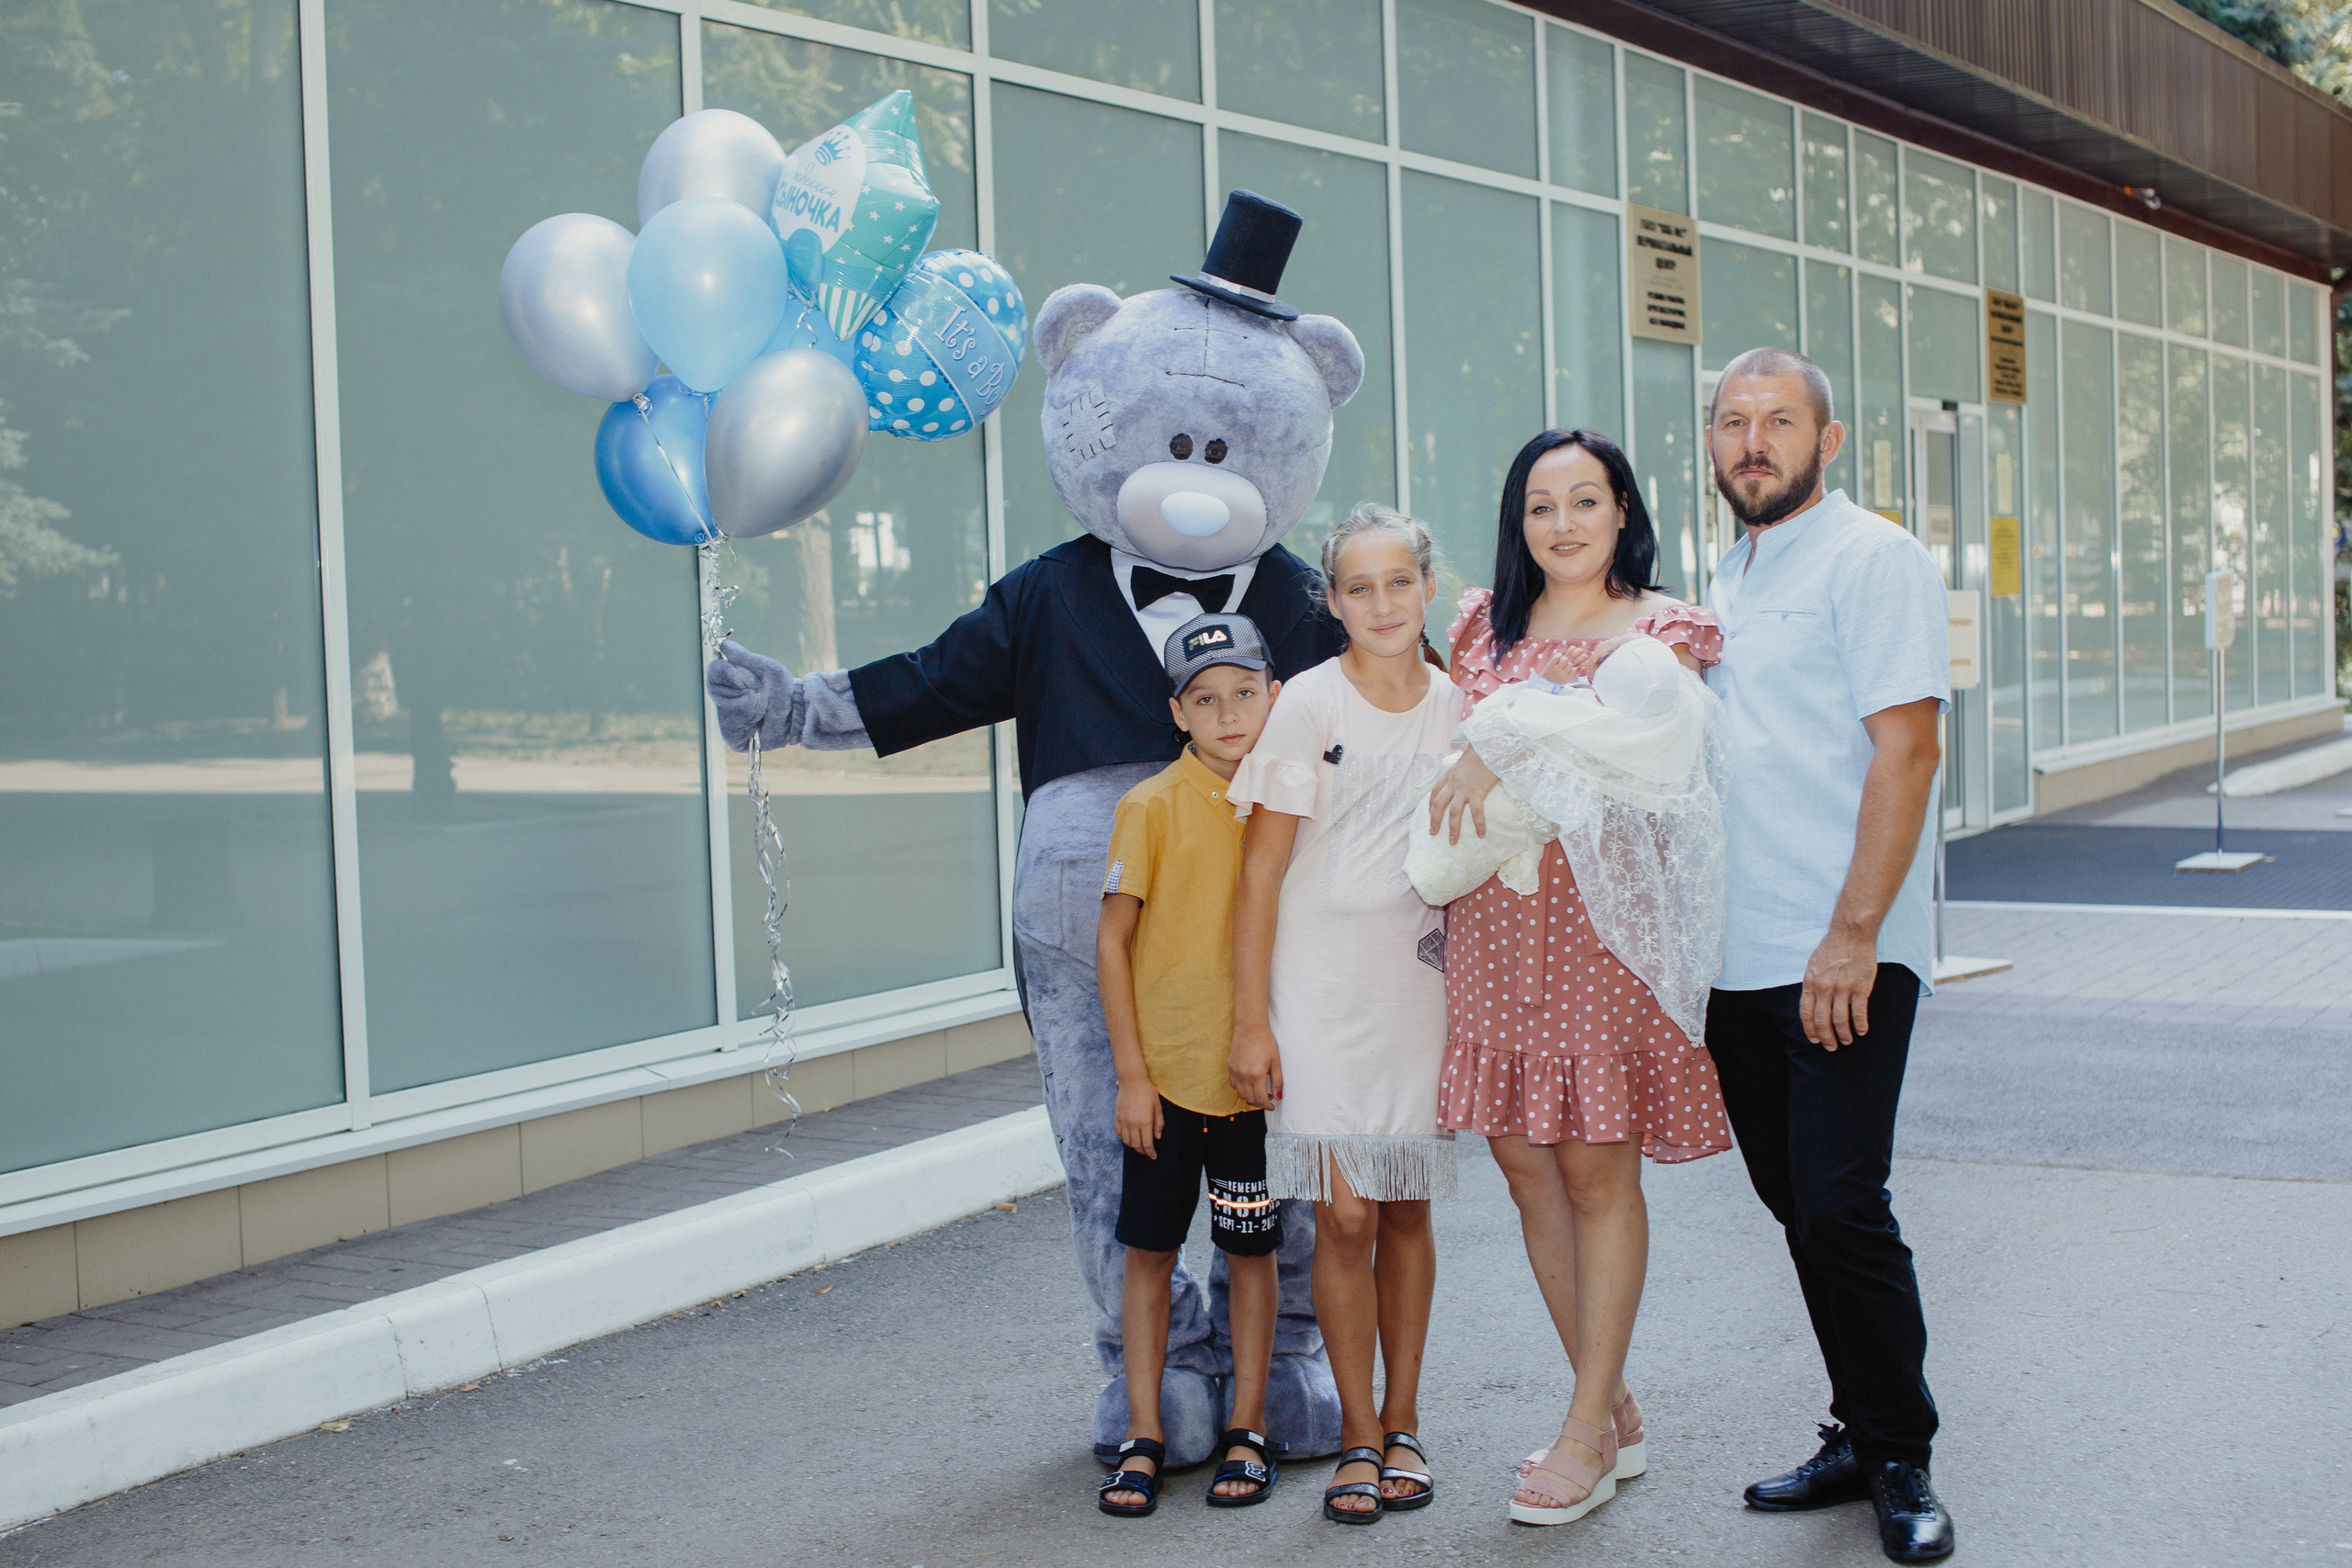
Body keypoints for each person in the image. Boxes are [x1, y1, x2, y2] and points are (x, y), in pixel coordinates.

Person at [1420, 429, 1734, 1528]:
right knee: (1523, 1166)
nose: (1562, 523)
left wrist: (1499, 742)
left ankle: (1583, 1422)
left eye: (1584, 500)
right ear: (1519, 522)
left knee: (1597, 1169)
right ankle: (1612, 1408)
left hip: (1601, 932)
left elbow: (1646, 759)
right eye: (1540, 505)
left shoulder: (1663, 629)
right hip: (1494, 932)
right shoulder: (1479, 627)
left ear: (1620, 512)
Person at [1699, 347, 1956, 1563]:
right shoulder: (1726, 576)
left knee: (1844, 1197)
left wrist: (1855, 931)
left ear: (1827, 438)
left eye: (1780, 420)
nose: (1755, 441)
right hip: (1737, 955)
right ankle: (1859, 1424)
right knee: (1794, 1199)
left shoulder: (1875, 557)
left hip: (1842, 943)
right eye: (1735, 422)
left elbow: (1907, 753)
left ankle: (1901, 1450)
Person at [1227, 504, 1463, 1525]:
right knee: (1346, 1213)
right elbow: (1259, 871)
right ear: (1331, 602)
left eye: (1397, 582)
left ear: (1426, 587)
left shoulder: (1461, 708)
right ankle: (1356, 1437)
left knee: (1405, 1207)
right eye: (1357, 587)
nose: (1379, 603)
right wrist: (1249, 1020)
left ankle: (1402, 1422)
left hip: (1420, 990)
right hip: (1315, 992)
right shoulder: (1305, 705)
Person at [1095, 612, 1289, 1518]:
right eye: (1205, 700)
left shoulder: (1284, 802)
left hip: (1250, 1092)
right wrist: (1133, 1076)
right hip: (1165, 1092)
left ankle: (1246, 1426)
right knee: (1150, 1255)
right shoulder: (1150, 807)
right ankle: (1144, 1433)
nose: (1227, 714)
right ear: (1177, 712)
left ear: (1273, 697)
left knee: (1251, 1256)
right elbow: (1110, 944)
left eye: (1244, 694)